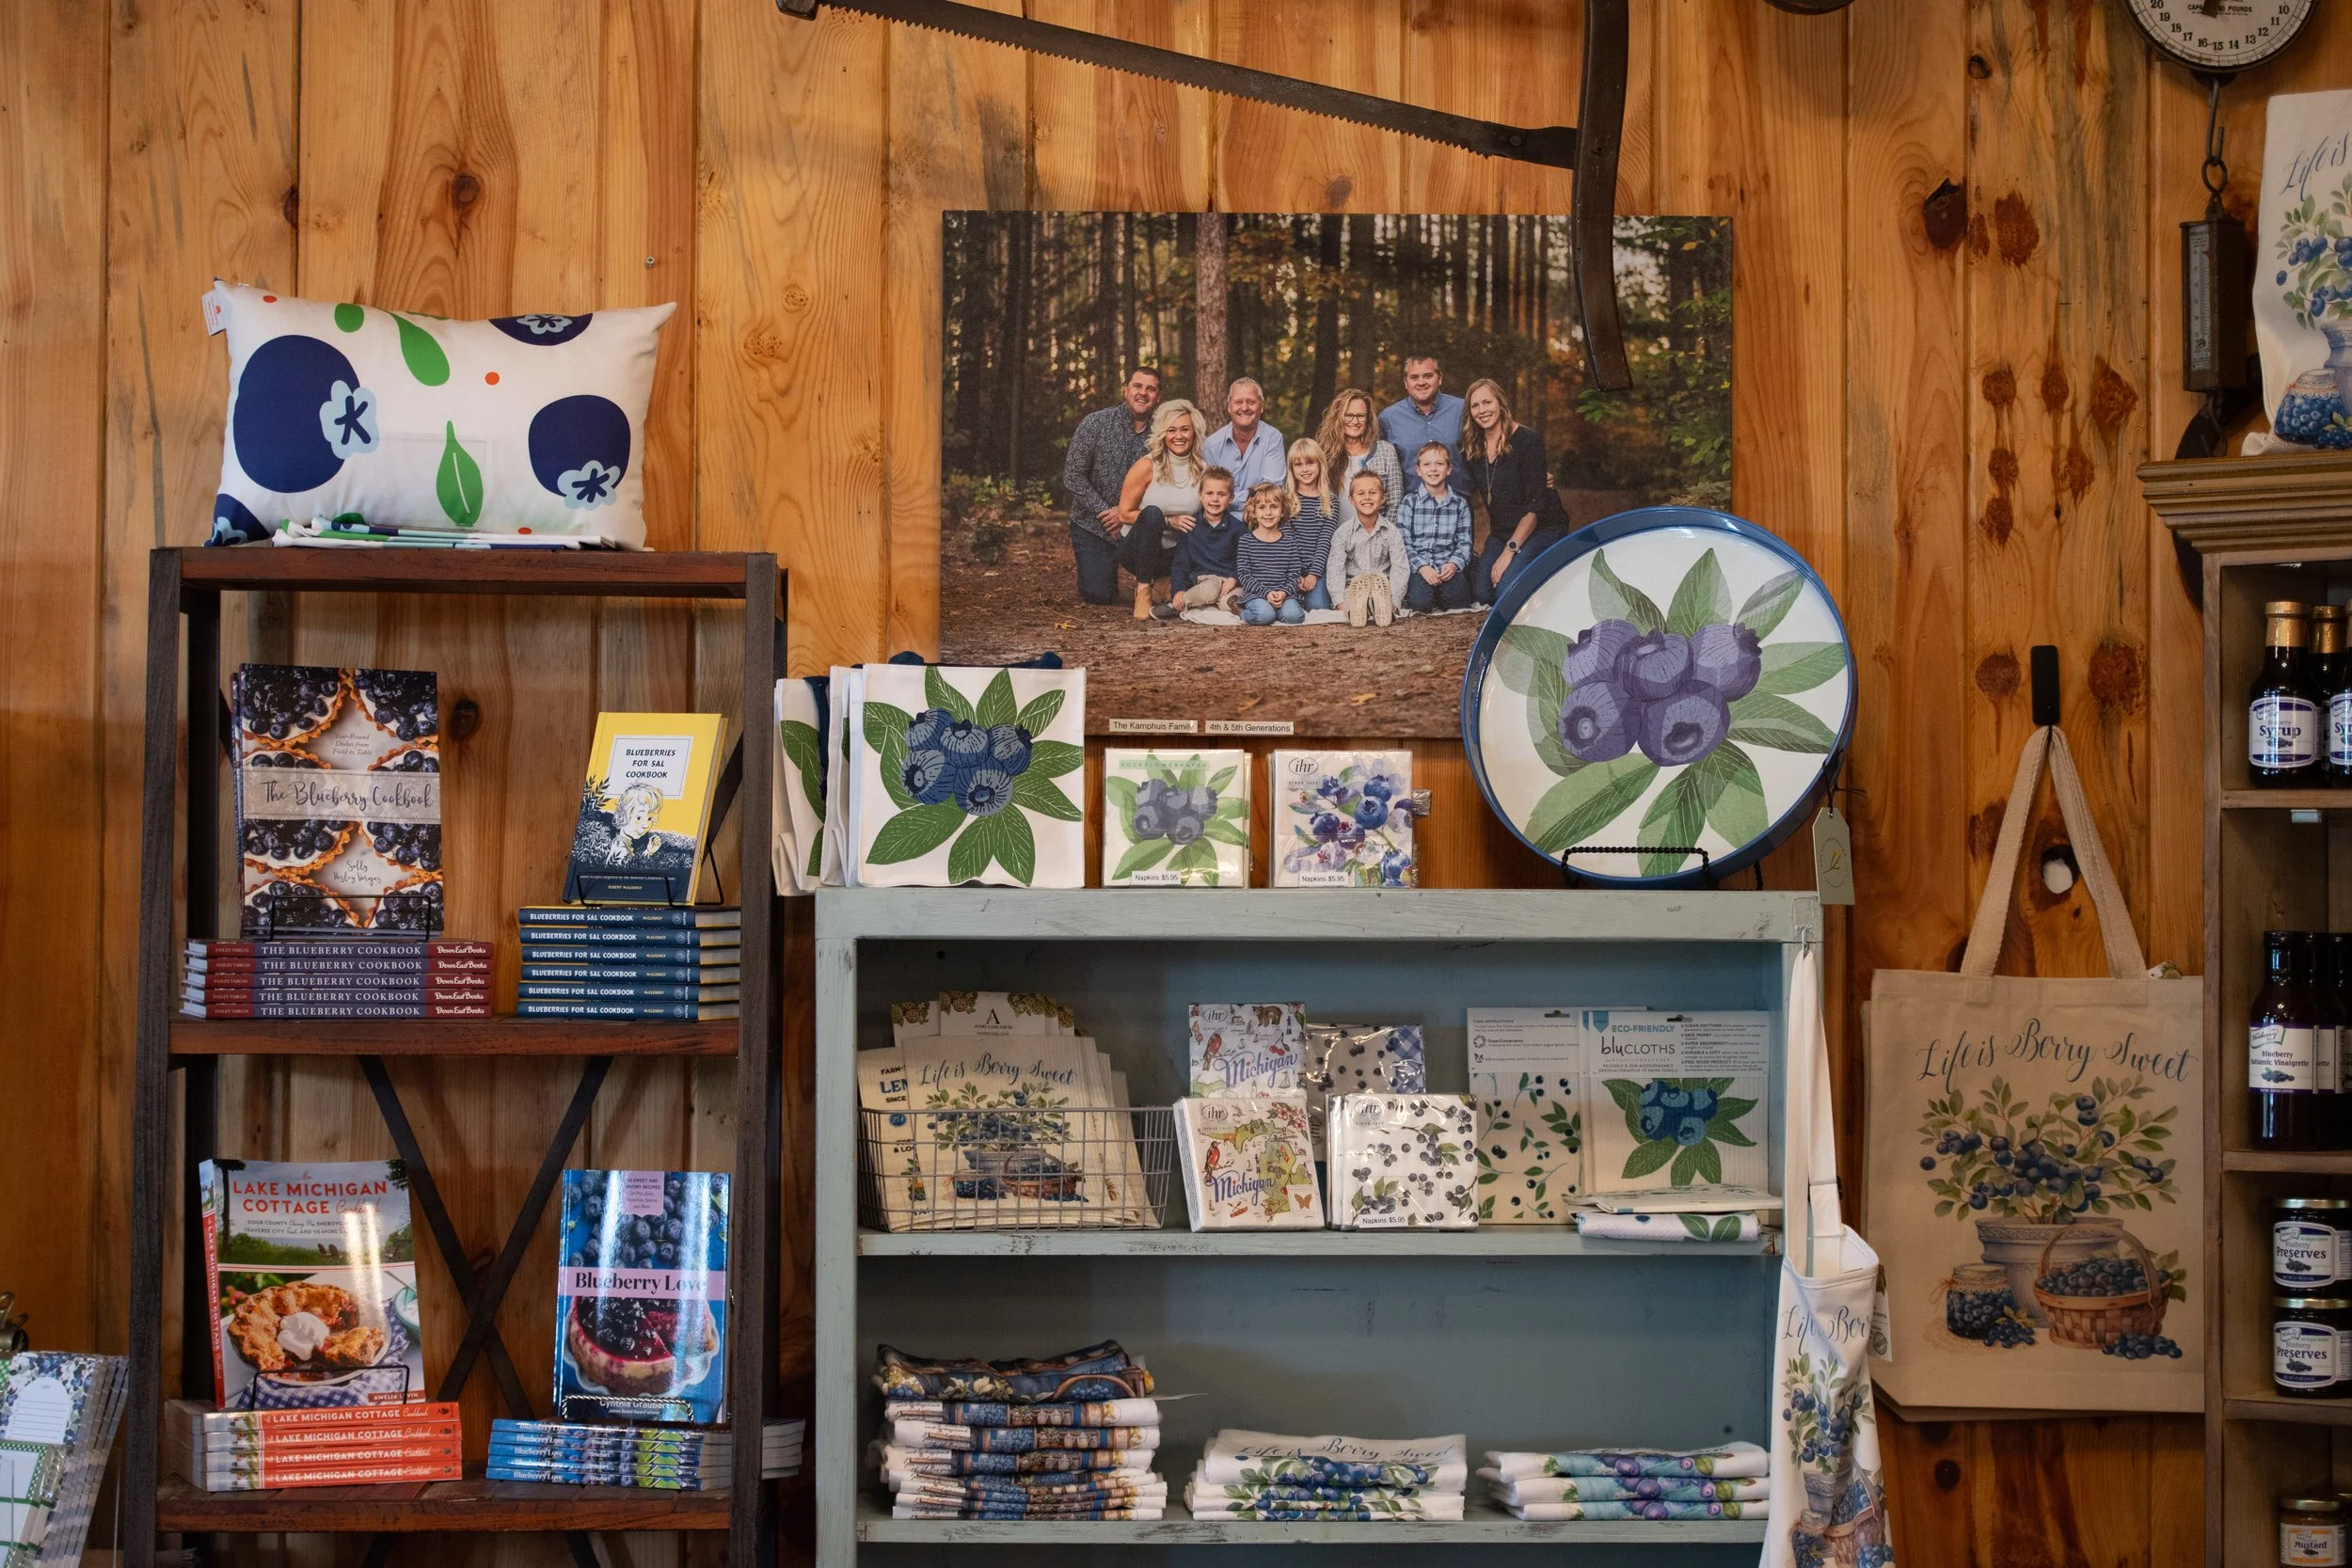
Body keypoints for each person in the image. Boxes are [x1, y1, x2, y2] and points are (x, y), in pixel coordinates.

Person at [1458, 377, 1573, 605]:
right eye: (1475, 405)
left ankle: (1553, 571)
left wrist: (1508, 553)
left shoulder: (1526, 440)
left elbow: (1535, 509)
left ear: (1501, 404)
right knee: (1482, 594)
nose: (1482, 410)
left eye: (1487, 402)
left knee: (1506, 592)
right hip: (1502, 531)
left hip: (1542, 528)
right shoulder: (1472, 448)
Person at [1061, 366, 1163, 605]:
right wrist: (1106, 512)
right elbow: (1073, 475)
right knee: (1099, 594)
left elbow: (1168, 482)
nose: (1143, 393)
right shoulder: (1095, 423)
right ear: (1125, 390)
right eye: (1137, 386)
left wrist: (1125, 512)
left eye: (1151, 389)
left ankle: (1152, 581)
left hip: (1139, 525)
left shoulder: (1164, 432)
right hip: (1094, 524)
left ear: (1158, 397)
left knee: (1163, 593)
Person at [1113, 399, 1207, 619]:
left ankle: (1166, 581)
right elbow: (1124, 513)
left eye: (1185, 429)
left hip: (1175, 553)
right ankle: (1143, 589)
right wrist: (1169, 520)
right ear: (1163, 434)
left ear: (1194, 432)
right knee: (1153, 513)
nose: (1179, 436)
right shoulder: (1146, 465)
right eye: (1171, 430)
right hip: (1137, 550)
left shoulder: (1203, 469)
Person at [1327, 468, 1408, 628]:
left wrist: (1395, 602)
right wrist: (1339, 602)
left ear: (1383, 498)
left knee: (1382, 598)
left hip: (1382, 587)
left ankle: (1383, 608)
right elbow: (1335, 568)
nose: (1367, 497)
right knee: (1352, 599)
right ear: (1351, 499)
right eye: (1361, 493)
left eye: (1372, 493)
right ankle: (1356, 610)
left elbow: (1400, 567)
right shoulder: (1343, 533)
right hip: (1354, 587)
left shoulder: (1391, 532)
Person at [1155, 467, 1242, 618]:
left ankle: (1196, 603)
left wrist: (1233, 578)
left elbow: (1244, 562)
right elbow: (1181, 563)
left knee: (1228, 603)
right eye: (1209, 493)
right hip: (1204, 581)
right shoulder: (1190, 526)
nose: (1215, 499)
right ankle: (1178, 603)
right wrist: (1178, 590)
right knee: (1211, 588)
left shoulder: (1238, 529)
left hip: (1228, 581)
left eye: (1221, 494)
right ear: (1200, 495)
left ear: (1231, 498)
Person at [1396, 441, 1471, 613]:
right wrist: (1422, 567)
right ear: (1418, 470)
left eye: (1439, 464)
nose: (1433, 469)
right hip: (1420, 566)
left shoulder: (1459, 504)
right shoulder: (1409, 502)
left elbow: (1464, 542)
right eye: (1427, 464)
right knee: (1421, 604)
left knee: (1460, 603)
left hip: (1447, 565)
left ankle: (1442, 592)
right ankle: (1429, 593)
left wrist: (1454, 564)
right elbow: (1403, 543)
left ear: (1449, 469)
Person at [1315, 388, 1406, 529]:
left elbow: (1395, 503)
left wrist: (1383, 536)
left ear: (1368, 419)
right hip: (1333, 537)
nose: (1355, 421)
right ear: (1338, 417)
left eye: (1360, 416)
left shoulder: (1385, 451)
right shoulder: (1324, 454)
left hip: (1376, 537)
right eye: (1348, 415)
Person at [1378, 356, 1465, 482]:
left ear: (1440, 378)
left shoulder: (1462, 410)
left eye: (1428, 376)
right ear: (1405, 382)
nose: (1421, 382)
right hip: (1409, 494)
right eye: (1414, 377)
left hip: (1459, 494)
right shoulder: (1388, 418)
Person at [1235, 483, 1305, 626]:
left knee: (1295, 617)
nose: (1268, 513)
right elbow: (1244, 575)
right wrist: (1266, 593)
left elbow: (1294, 575)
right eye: (1262, 507)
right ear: (1254, 512)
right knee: (1264, 615)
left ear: (1282, 511)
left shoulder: (1289, 542)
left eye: (1274, 507)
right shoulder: (1246, 541)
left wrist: (1284, 593)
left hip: (1284, 594)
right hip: (1256, 594)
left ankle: (1275, 611)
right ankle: (1241, 612)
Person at [1202, 378, 1288, 496]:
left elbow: (1271, 492)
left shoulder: (1273, 439)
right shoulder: (1211, 445)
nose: (1244, 408)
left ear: (1261, 407)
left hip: (1263, 508)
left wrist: (1227, 497)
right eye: (1238, 402)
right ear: (1229, 407)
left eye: (1251, 402)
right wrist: (1250, 494)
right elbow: (1210, 494)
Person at [1284, 439, 1340, 611]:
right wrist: (1296, 574)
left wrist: (1313, 575)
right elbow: (1286, 539)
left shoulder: (1330, 501)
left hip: (1318, 569)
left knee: (1317, 608)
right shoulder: (1286, 500)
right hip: (1289, 568)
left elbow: (1325, 540)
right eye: (1298, 465)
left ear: (1320, 464)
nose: (1305, 469)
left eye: (1310, 463)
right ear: (1291, 469)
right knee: (1289, 608)